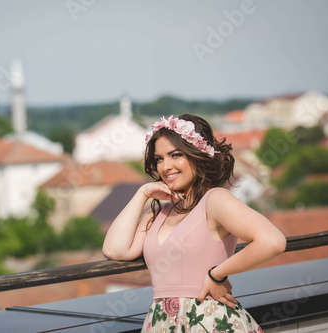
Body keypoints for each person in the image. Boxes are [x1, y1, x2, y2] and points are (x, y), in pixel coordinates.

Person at [102, 114, 287, 333]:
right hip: (162, 323)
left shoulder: (215, 200)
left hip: (209, 322)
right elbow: (114, 249)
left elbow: (273, 242)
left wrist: (216, 275)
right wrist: (142, 193)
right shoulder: (158, 214)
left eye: (175, 155)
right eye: (159, 159)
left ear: (198, 155)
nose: (166, 166)